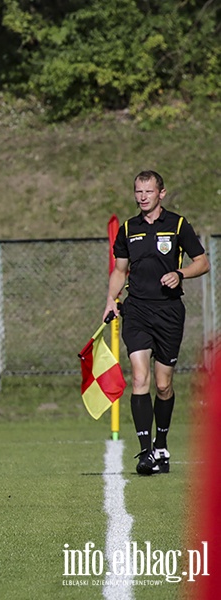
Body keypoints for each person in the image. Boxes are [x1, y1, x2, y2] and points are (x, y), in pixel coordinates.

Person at [103, 170, 210, 476]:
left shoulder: (177, 224)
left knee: (163, 385)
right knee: (139, 378)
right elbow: (120, 271)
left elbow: (202, 262)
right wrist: (111, 299)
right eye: (138, 192)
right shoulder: (128, 228)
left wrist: (180, 274)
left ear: (161, 193)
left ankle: (162, 445)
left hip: (169, 312)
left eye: (149, 192)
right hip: (136, 311)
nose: (143, 197)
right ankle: (145, 451)